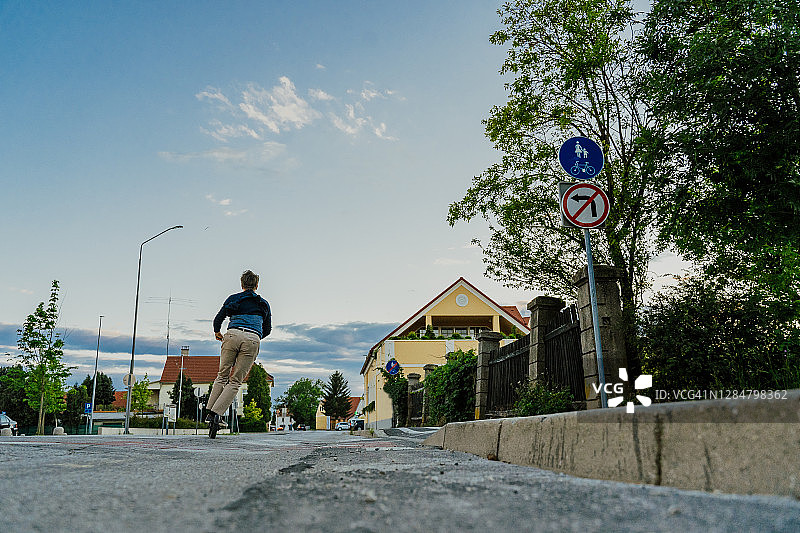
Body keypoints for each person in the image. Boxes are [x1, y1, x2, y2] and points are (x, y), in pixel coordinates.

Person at [206, 269, 272, 438]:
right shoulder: (263, 303)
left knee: (222, 376)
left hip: (232, 334)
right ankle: (216, 414)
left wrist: (217, 332)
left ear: (242, 284)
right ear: (256, 285)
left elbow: (218, 319)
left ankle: (209, 412)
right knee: (236, 381)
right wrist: (255, 337)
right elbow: (268, 329)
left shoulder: (233, 299)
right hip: (252, 339)